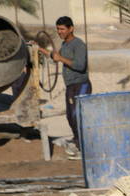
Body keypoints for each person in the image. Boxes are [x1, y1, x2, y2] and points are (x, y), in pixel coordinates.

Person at [38, 16, 92, 157]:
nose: (59, 32)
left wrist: (60, 59)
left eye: (62, 29)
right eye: (58, 29)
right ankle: (78, 143)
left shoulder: (78, 44)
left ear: (71, 28)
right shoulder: (65, 45)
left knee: (77, 116)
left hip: (81, 85)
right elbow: (55, 56)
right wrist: (39, 49)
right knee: (70, 116)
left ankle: (84, 148)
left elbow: (80, 66)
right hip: (70, 86)